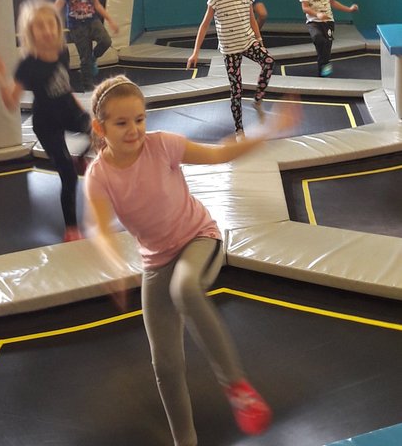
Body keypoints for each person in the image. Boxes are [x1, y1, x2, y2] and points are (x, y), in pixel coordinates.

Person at [85, 75, 300, 446]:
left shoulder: (162, 145)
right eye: (121, 123)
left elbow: (219, 153)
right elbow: (100, 229)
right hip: (156, 261)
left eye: (139, 119)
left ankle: (237, 388)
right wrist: (115, 266)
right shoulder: (99, 175)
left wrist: (269, 129)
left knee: (184, 289)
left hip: (198, 238)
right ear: (99, 128)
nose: (134, 130)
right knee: (165, 365)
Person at [0, 0, 91, 242]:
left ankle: (80, 157)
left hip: (68, 110)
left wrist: (86, 116)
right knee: (67, 174)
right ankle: (71, 228)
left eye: (50, 24)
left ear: (58, 26)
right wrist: (0, 78)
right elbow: (11, 103)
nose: (47, 30)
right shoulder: (28, 65)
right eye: (39, 26)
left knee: (100, 129)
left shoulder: (62, 51)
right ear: (30, 32)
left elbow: (65, 87)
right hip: (47, 124)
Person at [187, 0, 275, 137]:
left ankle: (258, 98)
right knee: (236, 89)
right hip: (230, 49)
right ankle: (239, 129)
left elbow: (252, 19)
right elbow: (204, 25)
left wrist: (259, 39)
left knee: (269, 61)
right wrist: (195, 52)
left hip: (248, 42)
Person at [55, 0, 119, 92]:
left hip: (93, 21)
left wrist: (110, 20)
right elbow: (58, 5)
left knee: (106, 41)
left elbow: (97, 4)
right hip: (77, 26)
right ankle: (88, 87)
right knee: (85, 58)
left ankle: (93, 57)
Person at [300, 0, 358, 77]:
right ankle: (323, 66)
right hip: (313, 21)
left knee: (327, 45)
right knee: (318, 38)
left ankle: (323, 69)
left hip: (328, 21)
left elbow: (333, 3)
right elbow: (305, 7)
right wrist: (317, 14)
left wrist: (349, 9)